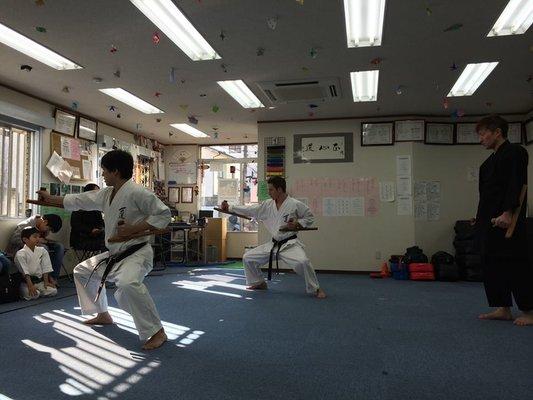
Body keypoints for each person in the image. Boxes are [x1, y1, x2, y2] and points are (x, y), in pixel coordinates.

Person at [37, 150, 171, 349]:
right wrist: (49, 199)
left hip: (136, 252)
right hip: (115, 253)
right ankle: (102, 313)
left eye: (105, 171)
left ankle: (157, 331)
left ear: (115, 172)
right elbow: (79, 200)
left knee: (127, 284)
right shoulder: (107, 193)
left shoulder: (138, 192)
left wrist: (133, 229)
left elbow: (163, 214)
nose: (103, 175)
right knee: (82, 271)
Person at [219, 176, 326, 298]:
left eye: (271, 190)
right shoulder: (268, 205)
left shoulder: (295, 204)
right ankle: (259, 282)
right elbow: (250, 209)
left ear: (279, 189)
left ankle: (316, 289)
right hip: (273, 244)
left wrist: (298, 223)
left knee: (303, 262)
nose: (268, 193)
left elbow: (309, 217)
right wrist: (231, 208)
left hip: (289, 244)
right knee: (248, 258)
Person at [474, 115, 532, 326]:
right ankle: (503, 308)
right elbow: (486, 195)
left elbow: (516, 185)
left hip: (509, 219)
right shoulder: (487, 163)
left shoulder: (515, 152)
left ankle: (529, 310)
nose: (480, 139)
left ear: (497, 132)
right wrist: (480, 219)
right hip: (489, 221)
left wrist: (508, 212)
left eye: (483, 134)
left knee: (515, 263)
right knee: (491, 263)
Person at [6, 213, 63, 286]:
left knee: (60, 246)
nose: (48, 231)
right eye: (49, 228)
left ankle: (53, 277)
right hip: (20, 248)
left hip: (37, 245)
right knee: (43, 248)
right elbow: (14, 240)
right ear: (45, 222)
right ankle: (45, 277)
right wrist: (36, 242)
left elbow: (42, 239)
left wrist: (45, 241)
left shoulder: (42, 227)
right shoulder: (26, 225)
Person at [14, 227, 57, 301]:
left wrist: (46, 282)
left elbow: (46, 266)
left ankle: (39, 290)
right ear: (25, 239)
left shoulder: (42, 250)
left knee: (53, 291)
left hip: (39, 281)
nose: (38, 239)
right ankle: (28, 291)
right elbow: (25, 271)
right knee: (35, 295)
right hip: (26, 282)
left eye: (39, 236)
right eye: (35, 237)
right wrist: (30, 285)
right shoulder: (20, 254)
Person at [70, 183, 105, 254]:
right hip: (81, 239)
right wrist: (91, 230)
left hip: (95, 237)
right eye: (96, 193)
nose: (98, 195)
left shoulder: (96, 208)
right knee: (106, 244)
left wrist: (100, 229)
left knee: (110, 240)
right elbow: (75, 225)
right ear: (88, 194)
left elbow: (101, 223)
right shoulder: (78, 207)